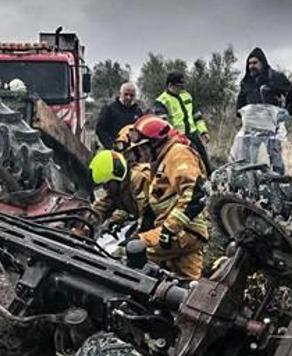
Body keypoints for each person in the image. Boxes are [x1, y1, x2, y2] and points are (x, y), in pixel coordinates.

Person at [128, 116, 209, 280]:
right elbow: (158, 202)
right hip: (185, 233)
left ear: (155, 143)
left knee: (133, 252)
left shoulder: (178, 154)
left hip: (183, 231)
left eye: (144, 148)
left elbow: (195, 193)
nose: (141, 154)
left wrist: (168, 229)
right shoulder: (161, 161)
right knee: (190, 284)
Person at [152, 72, 212, 171]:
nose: (181, 89)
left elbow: (197, 116)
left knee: (204, 162)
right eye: (179, 86)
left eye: (182, 86)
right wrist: (178, 138)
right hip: (177, 139)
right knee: (185, 165)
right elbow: (164, 125)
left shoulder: (187, 95)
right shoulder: (161, 101)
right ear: (170, 85)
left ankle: (210, 181)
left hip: (193, 135)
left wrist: (203, 131)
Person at [87, 149, 152, 231]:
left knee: (133, 243)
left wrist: (137, 235)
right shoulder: (117, 187)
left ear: (117, 175)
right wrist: (86, 226)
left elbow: (147, 214)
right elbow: (103, 207)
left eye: (107, 184)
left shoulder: (140, 179)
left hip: (162, 223)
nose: (105, 188)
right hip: (148, 222)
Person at [236, 47, 292, 115]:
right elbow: (240, 104)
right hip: (252, 122)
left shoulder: (274, 77)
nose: (251, 66)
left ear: (262, 62)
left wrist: (287, 112)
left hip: (272, 121)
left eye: (255, 63)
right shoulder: (246, 82)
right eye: (249, 63)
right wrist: (242, 114)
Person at [95, 82, 143, 149]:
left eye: (131, 95)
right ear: (120, 93)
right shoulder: (109, 109)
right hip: (113, 149)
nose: (128, 97)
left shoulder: (138, 112)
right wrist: (111, 145)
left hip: (133, 151)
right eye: (126, 94)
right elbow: (100, 129)